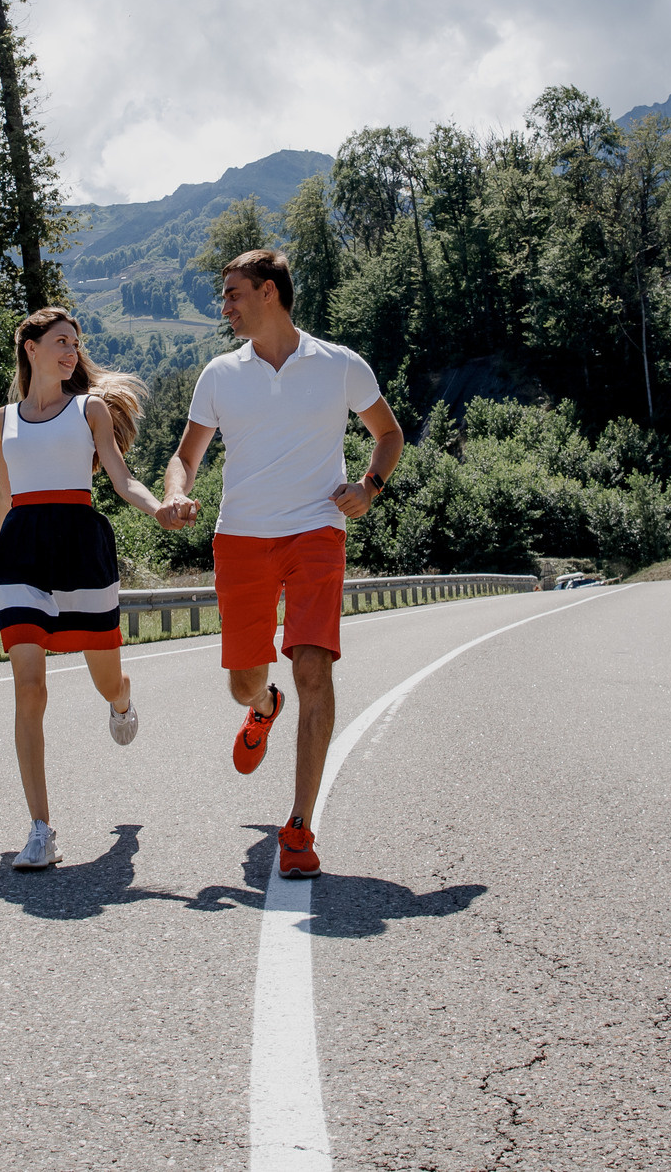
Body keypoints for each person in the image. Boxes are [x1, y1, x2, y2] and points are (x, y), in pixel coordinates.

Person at [156, 249, 402, 880]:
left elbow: (389, 434)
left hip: (317, 531)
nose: (225, 306)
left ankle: (299, 827)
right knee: (243, 680)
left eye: (233, 294)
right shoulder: (220, 374)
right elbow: (185, 457)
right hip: (241, 538)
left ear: (269, 292)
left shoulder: (340, 365)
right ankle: (264, 705)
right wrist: (176, 492)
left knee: (314, 666)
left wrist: (369, 487)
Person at [0, 307, 165, 871]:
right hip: (20, 553)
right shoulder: (2, 420)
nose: (72, 352)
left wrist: (160, 509)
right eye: (61, 342)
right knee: (29, 687)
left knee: (104, 677)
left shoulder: (89, 409)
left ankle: (122, 697)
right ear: (31, 347)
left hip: (80, 546)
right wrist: (4, 548)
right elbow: (4, 494)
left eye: (75, 344)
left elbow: (121, 478)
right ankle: (40, 829)